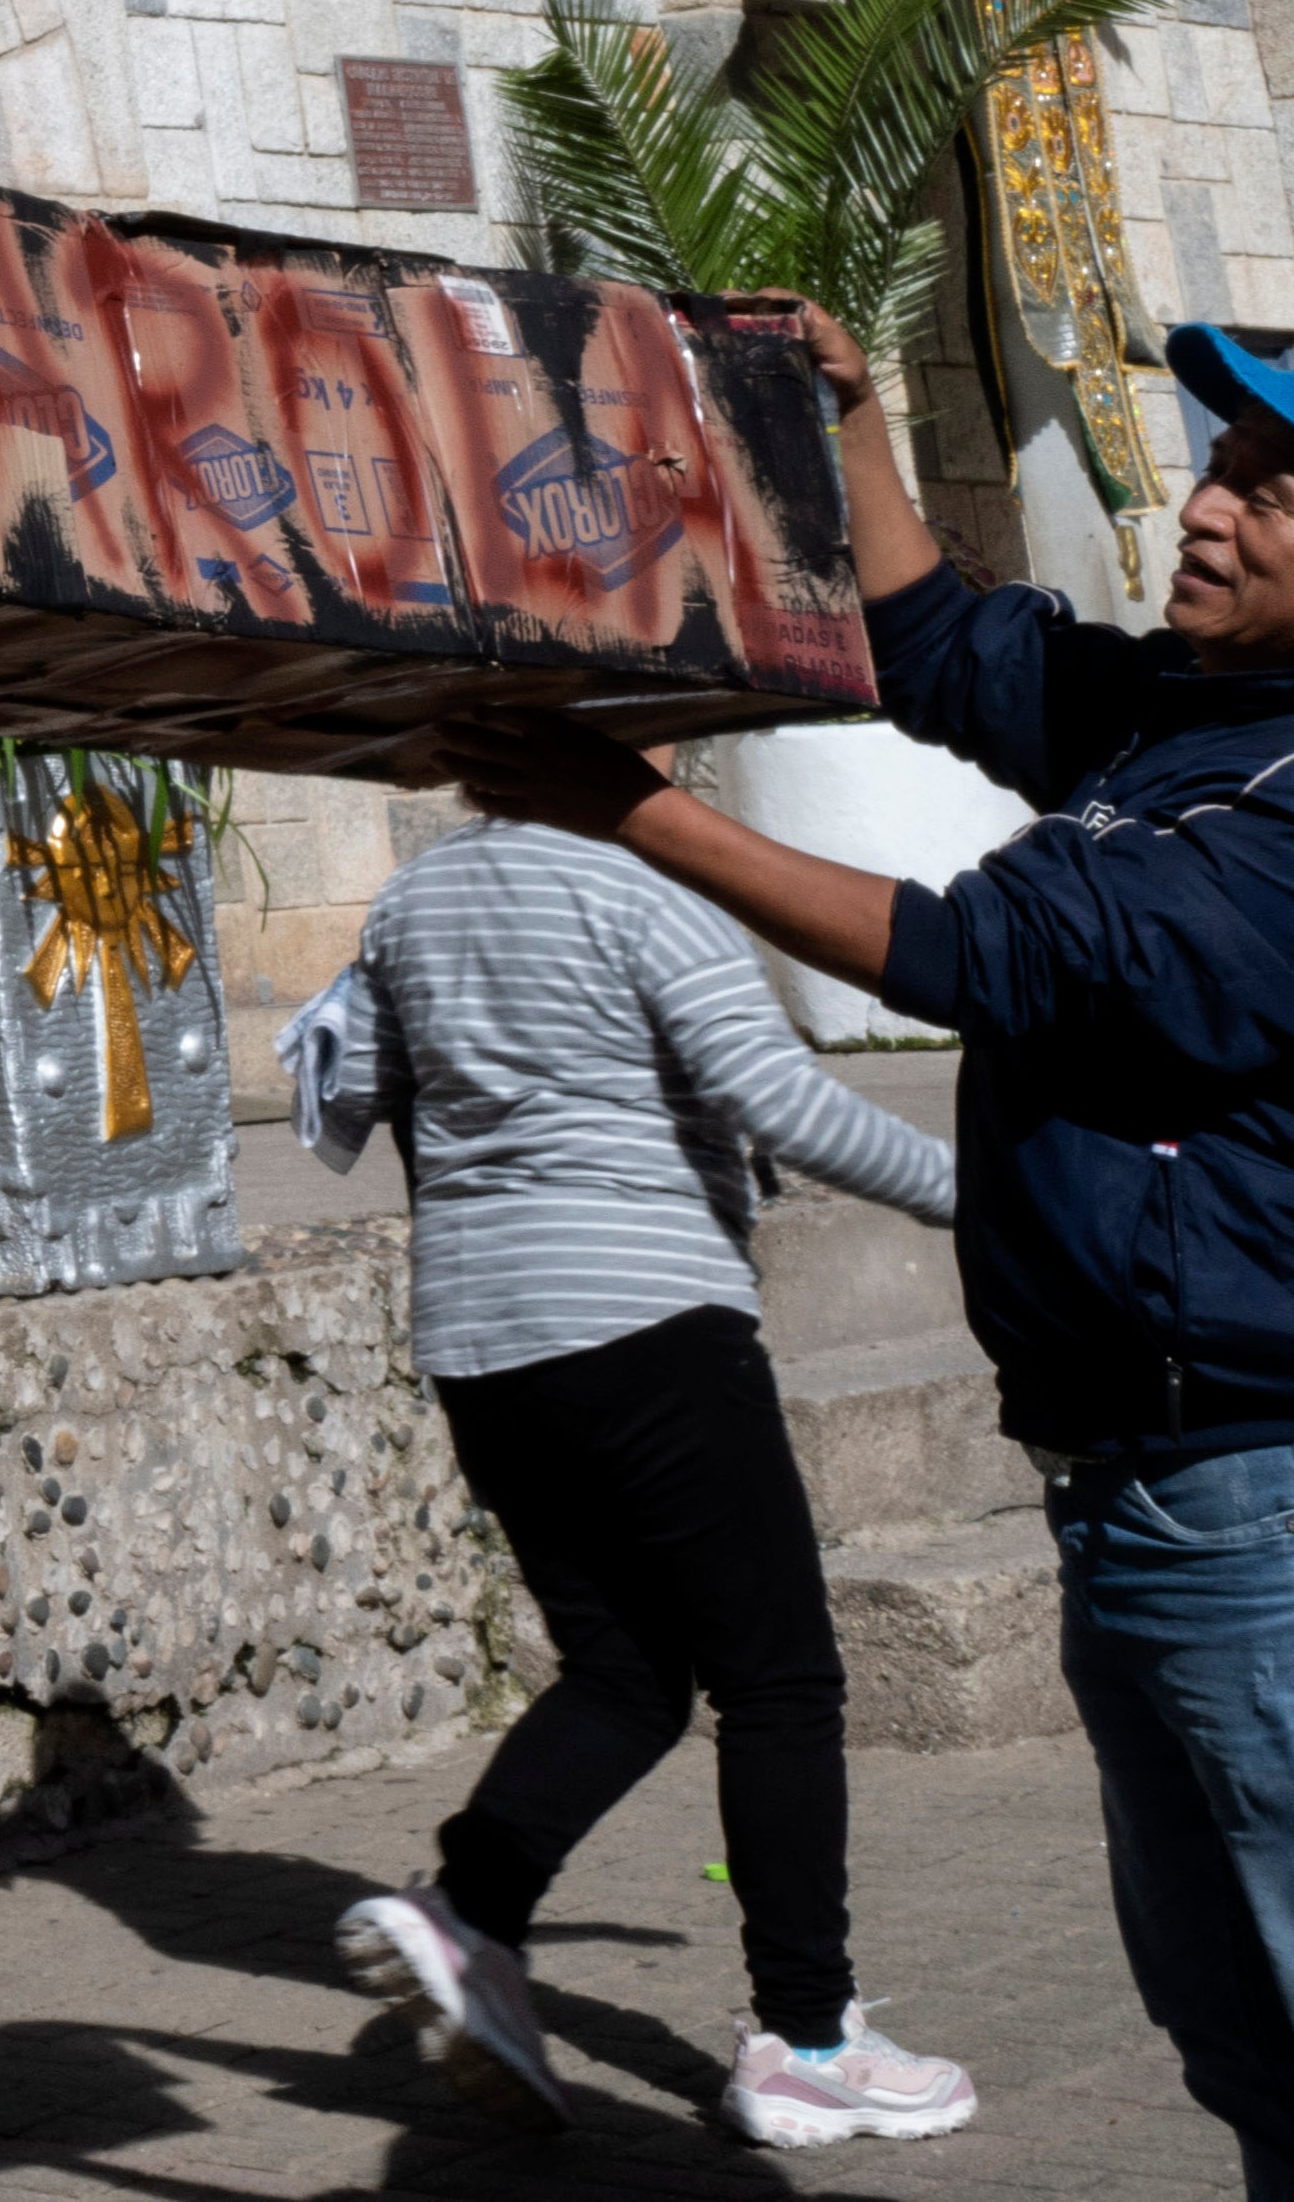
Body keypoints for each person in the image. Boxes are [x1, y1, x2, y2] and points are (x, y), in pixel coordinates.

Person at [454, 306, 1294, 2200]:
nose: (1207, 508)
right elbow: (946, 647)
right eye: (1219, 467)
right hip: (1164, 1487)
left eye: (1272, 494)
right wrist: (856, 415)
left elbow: (971, 953)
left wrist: (634, 807)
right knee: (1249, 2036)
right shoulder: (1214, 717)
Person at [321, 813, 976, 2145]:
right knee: (780, 1677)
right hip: (647, 1320)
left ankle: (470, 1917)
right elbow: (782, 1101)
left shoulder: (408, 899)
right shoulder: (652, 890)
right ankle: (806, 2037)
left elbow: (353, 1099)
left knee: (624, 1671)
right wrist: (986, 1196)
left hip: (479, 1337)